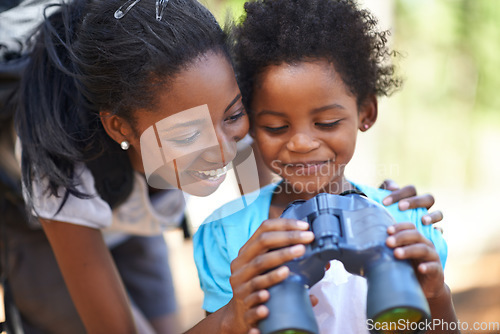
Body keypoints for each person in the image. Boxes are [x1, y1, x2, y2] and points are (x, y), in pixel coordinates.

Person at [11, 0, 444, 333]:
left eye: (236, 115)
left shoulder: (215, 95)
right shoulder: (57, 172)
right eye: (186, 135)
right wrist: (230, 317)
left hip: (146, 187)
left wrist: (374, 206)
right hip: (49, 219)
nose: (222, 151)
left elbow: (267, 206)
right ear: (120, 125)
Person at [193, 0, 459, 333]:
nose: (301, 143)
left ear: (366, 113)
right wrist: (236, 312)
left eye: (328, 122)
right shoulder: (227, 235)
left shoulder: (407, 224)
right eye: (276, 127)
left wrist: (435, 297)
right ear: (251, 125)